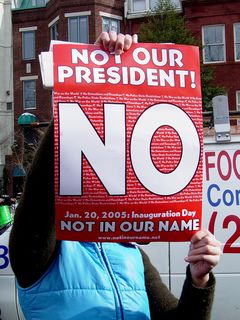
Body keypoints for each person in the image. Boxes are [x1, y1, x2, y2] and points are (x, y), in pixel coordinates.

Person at [9, 32, 222, 320]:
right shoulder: (37, 252)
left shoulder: (129, 252)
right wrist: (89, 79)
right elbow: (41, 191)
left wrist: (198, 281)